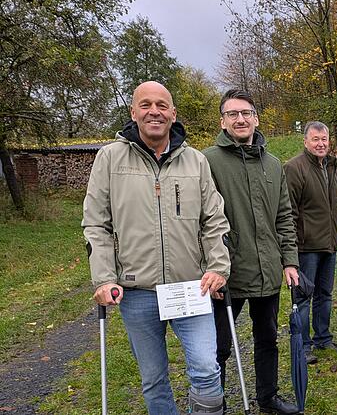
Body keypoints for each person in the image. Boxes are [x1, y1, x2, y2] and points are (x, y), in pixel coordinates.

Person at [83, 81, 230, 415]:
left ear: (173, 113)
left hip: (190, 287)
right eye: (146, 104)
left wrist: (218, 268)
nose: (154, 111)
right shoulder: (109, 159)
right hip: (137, 292)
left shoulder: (195, 161)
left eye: (162, 105)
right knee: (154, 379)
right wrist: (104, 278)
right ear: (133, 112)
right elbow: (96, 224)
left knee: (207, 370)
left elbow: (214, 221)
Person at [203, 89, 300, 415]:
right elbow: (199, 220)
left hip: (268, 271)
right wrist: (210, 267)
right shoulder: (208, 161)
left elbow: (284, 216)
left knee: (267, 340)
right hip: (226, 274)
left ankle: (268, 399)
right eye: (232, 114)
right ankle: (215, 402)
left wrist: (289, 260)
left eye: (246, 113)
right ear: (223, 121)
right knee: (219, 346)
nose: (240, 119)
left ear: (256, 118)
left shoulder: (273, 165)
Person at [284, 121, 337, 365]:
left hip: (329, 244)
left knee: (325, 294)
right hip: (306, 247)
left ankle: (323, 337)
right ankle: (303, 344)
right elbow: (288, 211)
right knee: (303, 298)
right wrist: (292, 245)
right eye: (315, 139)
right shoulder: (294, 167)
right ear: (306, 142)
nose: (321, 144)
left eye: (324, 139)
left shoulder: (332, 165)